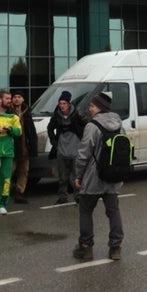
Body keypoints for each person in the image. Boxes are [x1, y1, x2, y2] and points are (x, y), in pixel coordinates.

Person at [73, 92, 124, 262]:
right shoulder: (118, 123)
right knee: (113, 211)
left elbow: (83, 154)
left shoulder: (92, 126)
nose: (89, 109)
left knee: (85, 211)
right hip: (113, 176)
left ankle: (86, 247)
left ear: (100, 107)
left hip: (93, 177)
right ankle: (115, 248)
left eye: (92, 106)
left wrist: (78, 175)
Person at [47, 90, 87, 205]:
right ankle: (62, 196)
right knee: (62, 176)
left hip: (75, 148)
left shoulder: (77, 114)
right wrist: (54, 142)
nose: (62, 106)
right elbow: (50, 128)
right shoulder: (57, 115)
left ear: (69, 104)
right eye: (60, 103)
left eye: (64, 103)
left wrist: (82, 140)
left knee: (76, 175)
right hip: (62, 148)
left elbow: (86, 125)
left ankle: (78, 196)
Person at [10, 89, 38, 204]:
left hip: (24, 147)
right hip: (12, 148)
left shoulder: (27, 112)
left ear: (23, 99)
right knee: (9, 171)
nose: (17, 99)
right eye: (15, 97)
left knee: (24, 171)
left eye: (19, 97)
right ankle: (3, 192)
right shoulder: (9, 111)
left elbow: (31, 130)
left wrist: (33, 147)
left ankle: (19, 192)